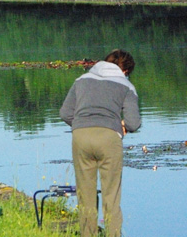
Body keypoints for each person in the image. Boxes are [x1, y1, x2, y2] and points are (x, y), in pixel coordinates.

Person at [60, 49, 141, 237]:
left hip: (80, 137)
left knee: (85, 195)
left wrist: (82, 123)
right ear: (126, 71)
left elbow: (65, 113)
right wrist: (122, 126)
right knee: (111, 196)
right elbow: (133, 123)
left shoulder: (81, 80)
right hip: (108, 139)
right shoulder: (126, 85)